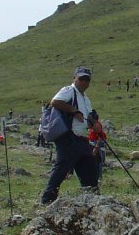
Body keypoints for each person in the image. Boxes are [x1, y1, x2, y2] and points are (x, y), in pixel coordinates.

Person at [40, 66, 99, 205]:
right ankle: (47, 199)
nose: (84, 82)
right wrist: (74, 111)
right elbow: (55, 102)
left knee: (89, 168)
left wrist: (94, 123)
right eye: (81, 78)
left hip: (82, 138)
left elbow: (87, 119)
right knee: (62, 168)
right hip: (68, 137)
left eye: (87, 79)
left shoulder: (86, 99)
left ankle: (92, 198)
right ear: (75, 78)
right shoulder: (68, 90)